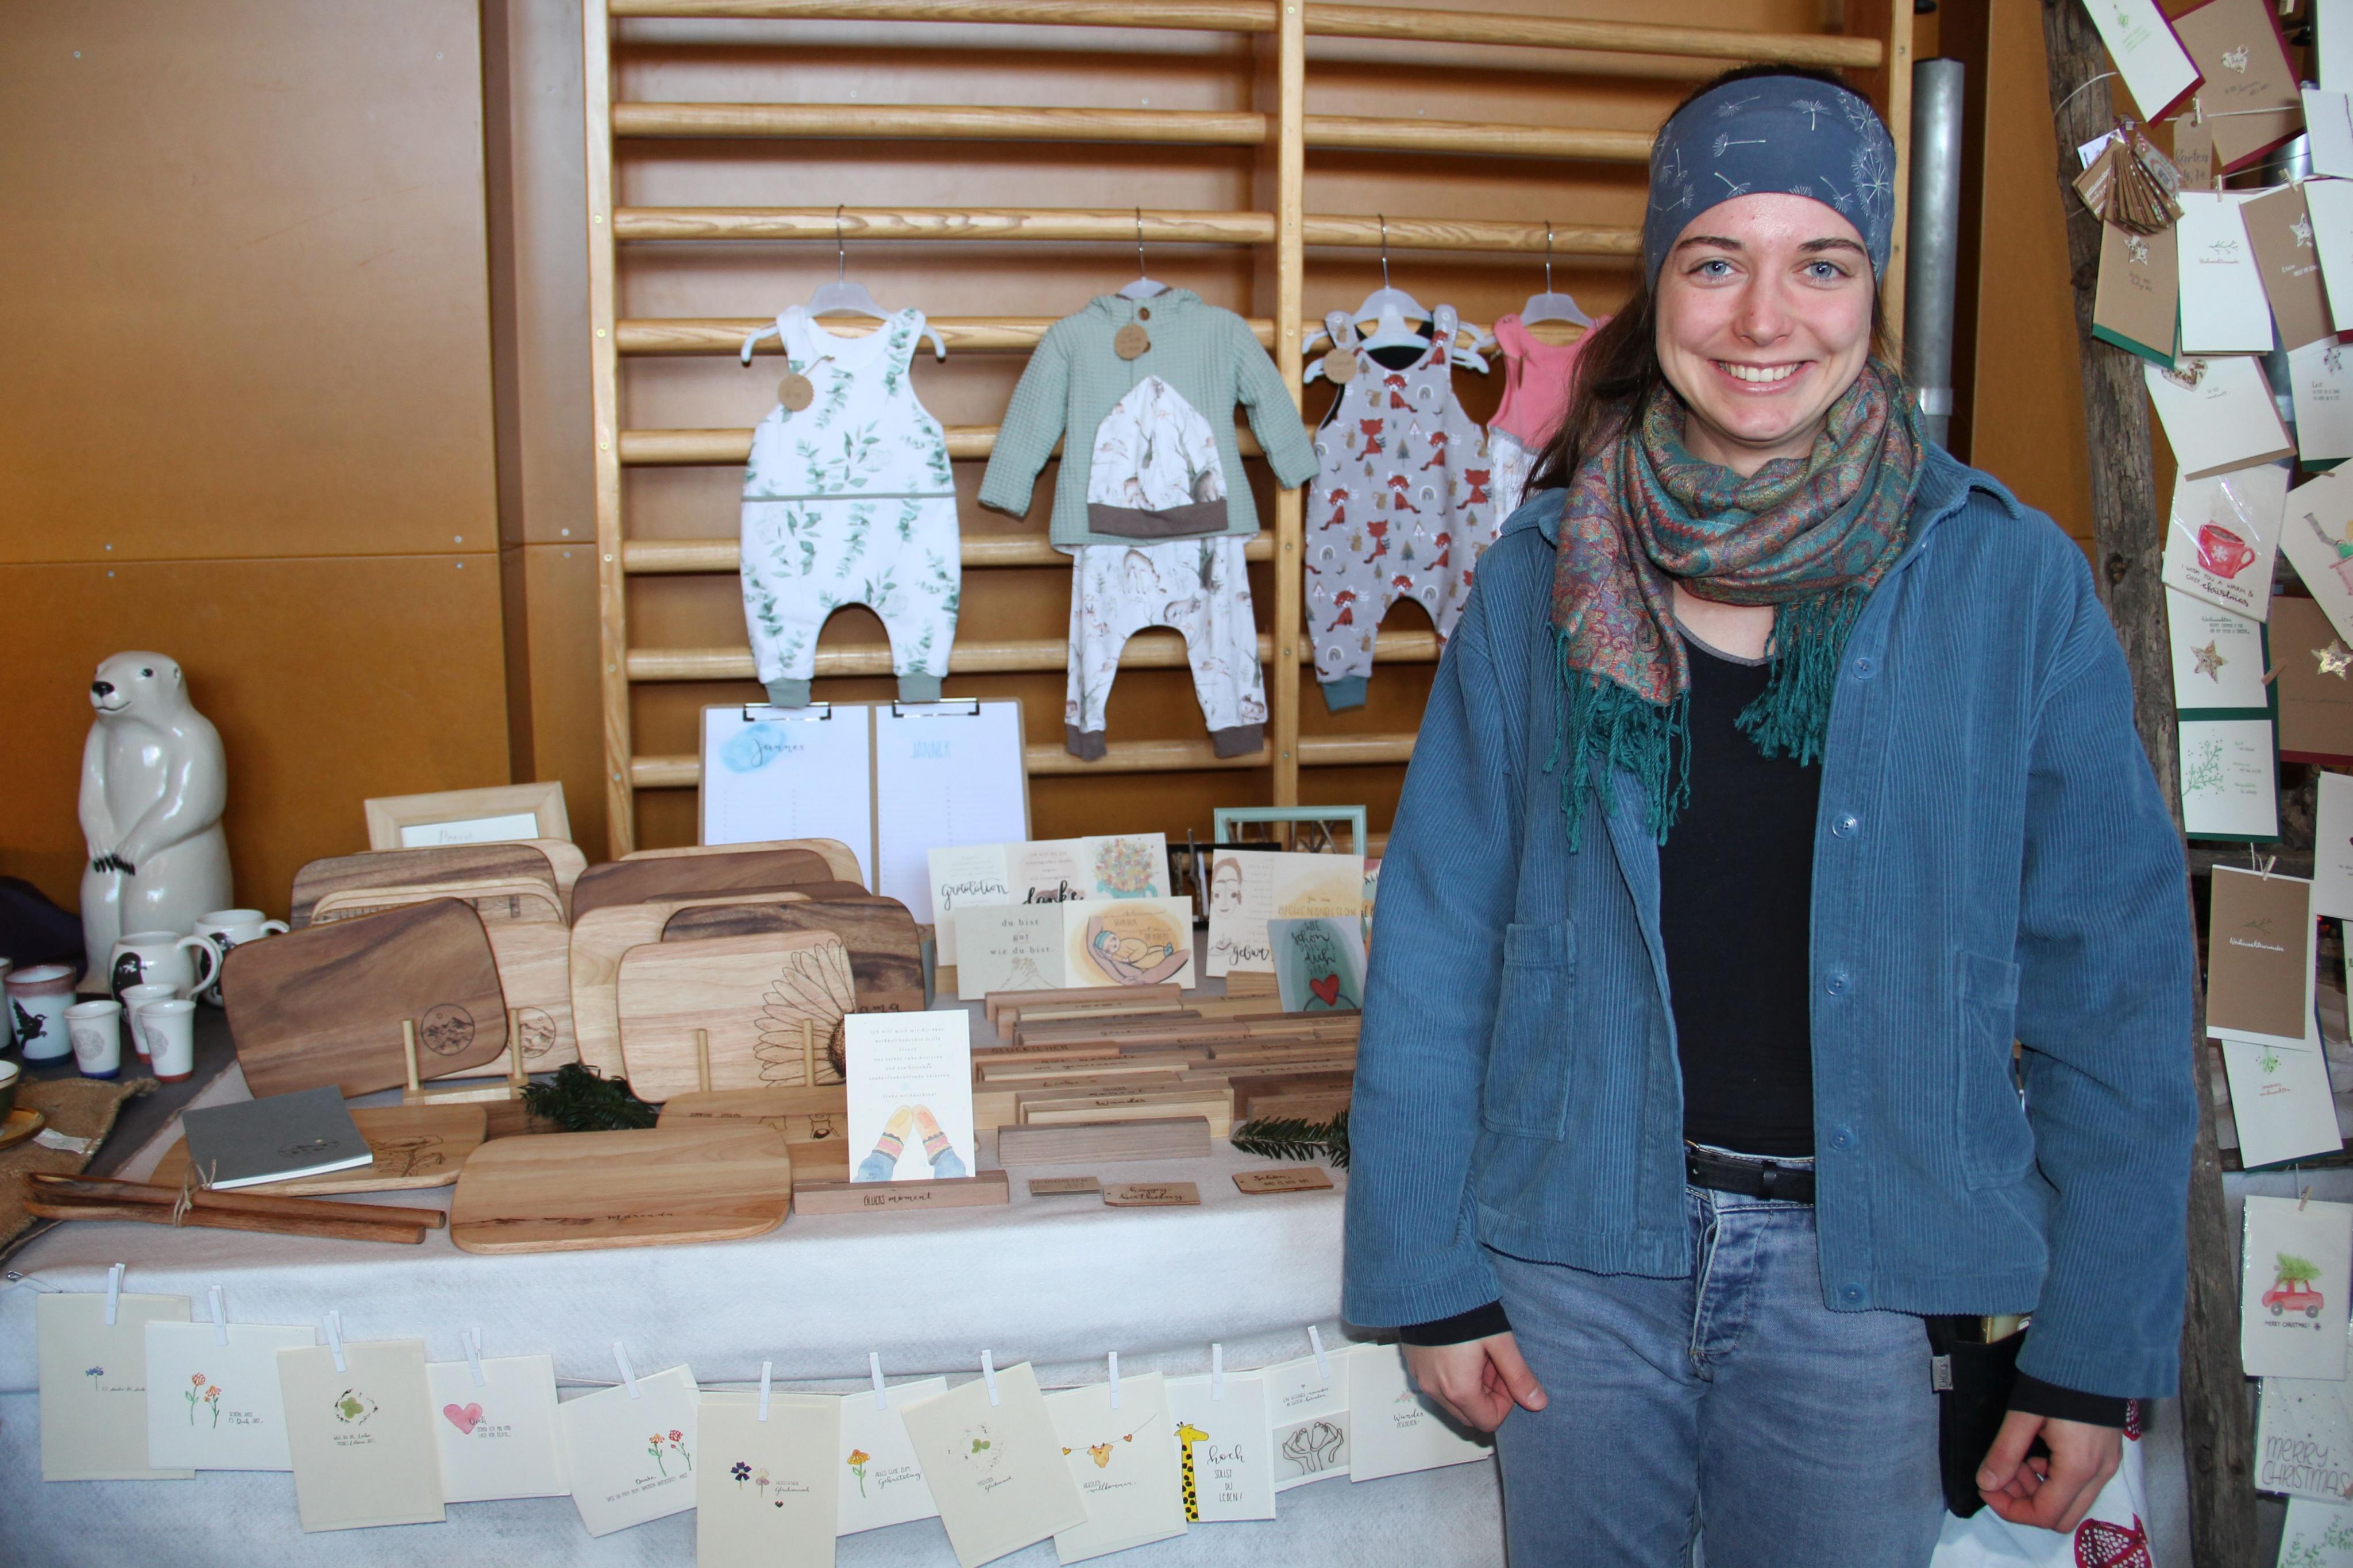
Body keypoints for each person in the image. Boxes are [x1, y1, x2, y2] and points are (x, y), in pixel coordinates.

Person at [1341, 66, 2195, 1566]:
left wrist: (2090, 1348)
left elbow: (2113, 982)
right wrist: (1425, 1272)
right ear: (1659, 281)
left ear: (1872, 292)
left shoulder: (2007, 582)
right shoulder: (1542, 573)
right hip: (1576, 1266)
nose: (1762, 318)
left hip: (1870, 1289)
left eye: (1822, 265)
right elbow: (1439, 935)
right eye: (1716, 260)